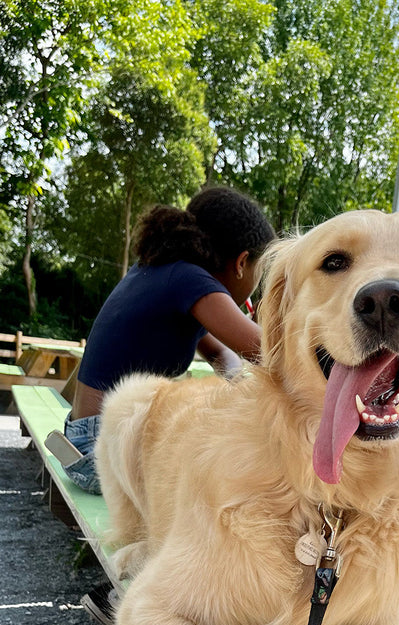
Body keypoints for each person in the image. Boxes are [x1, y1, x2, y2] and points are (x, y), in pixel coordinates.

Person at [62, 185, 274, 495]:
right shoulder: (190, 280)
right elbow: (270, 352)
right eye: (260, 271)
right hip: (102, 454)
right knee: (240, 453)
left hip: (83, 441)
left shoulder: (165, 272)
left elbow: (221, 354)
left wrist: (239, 384)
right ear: (242, 263)